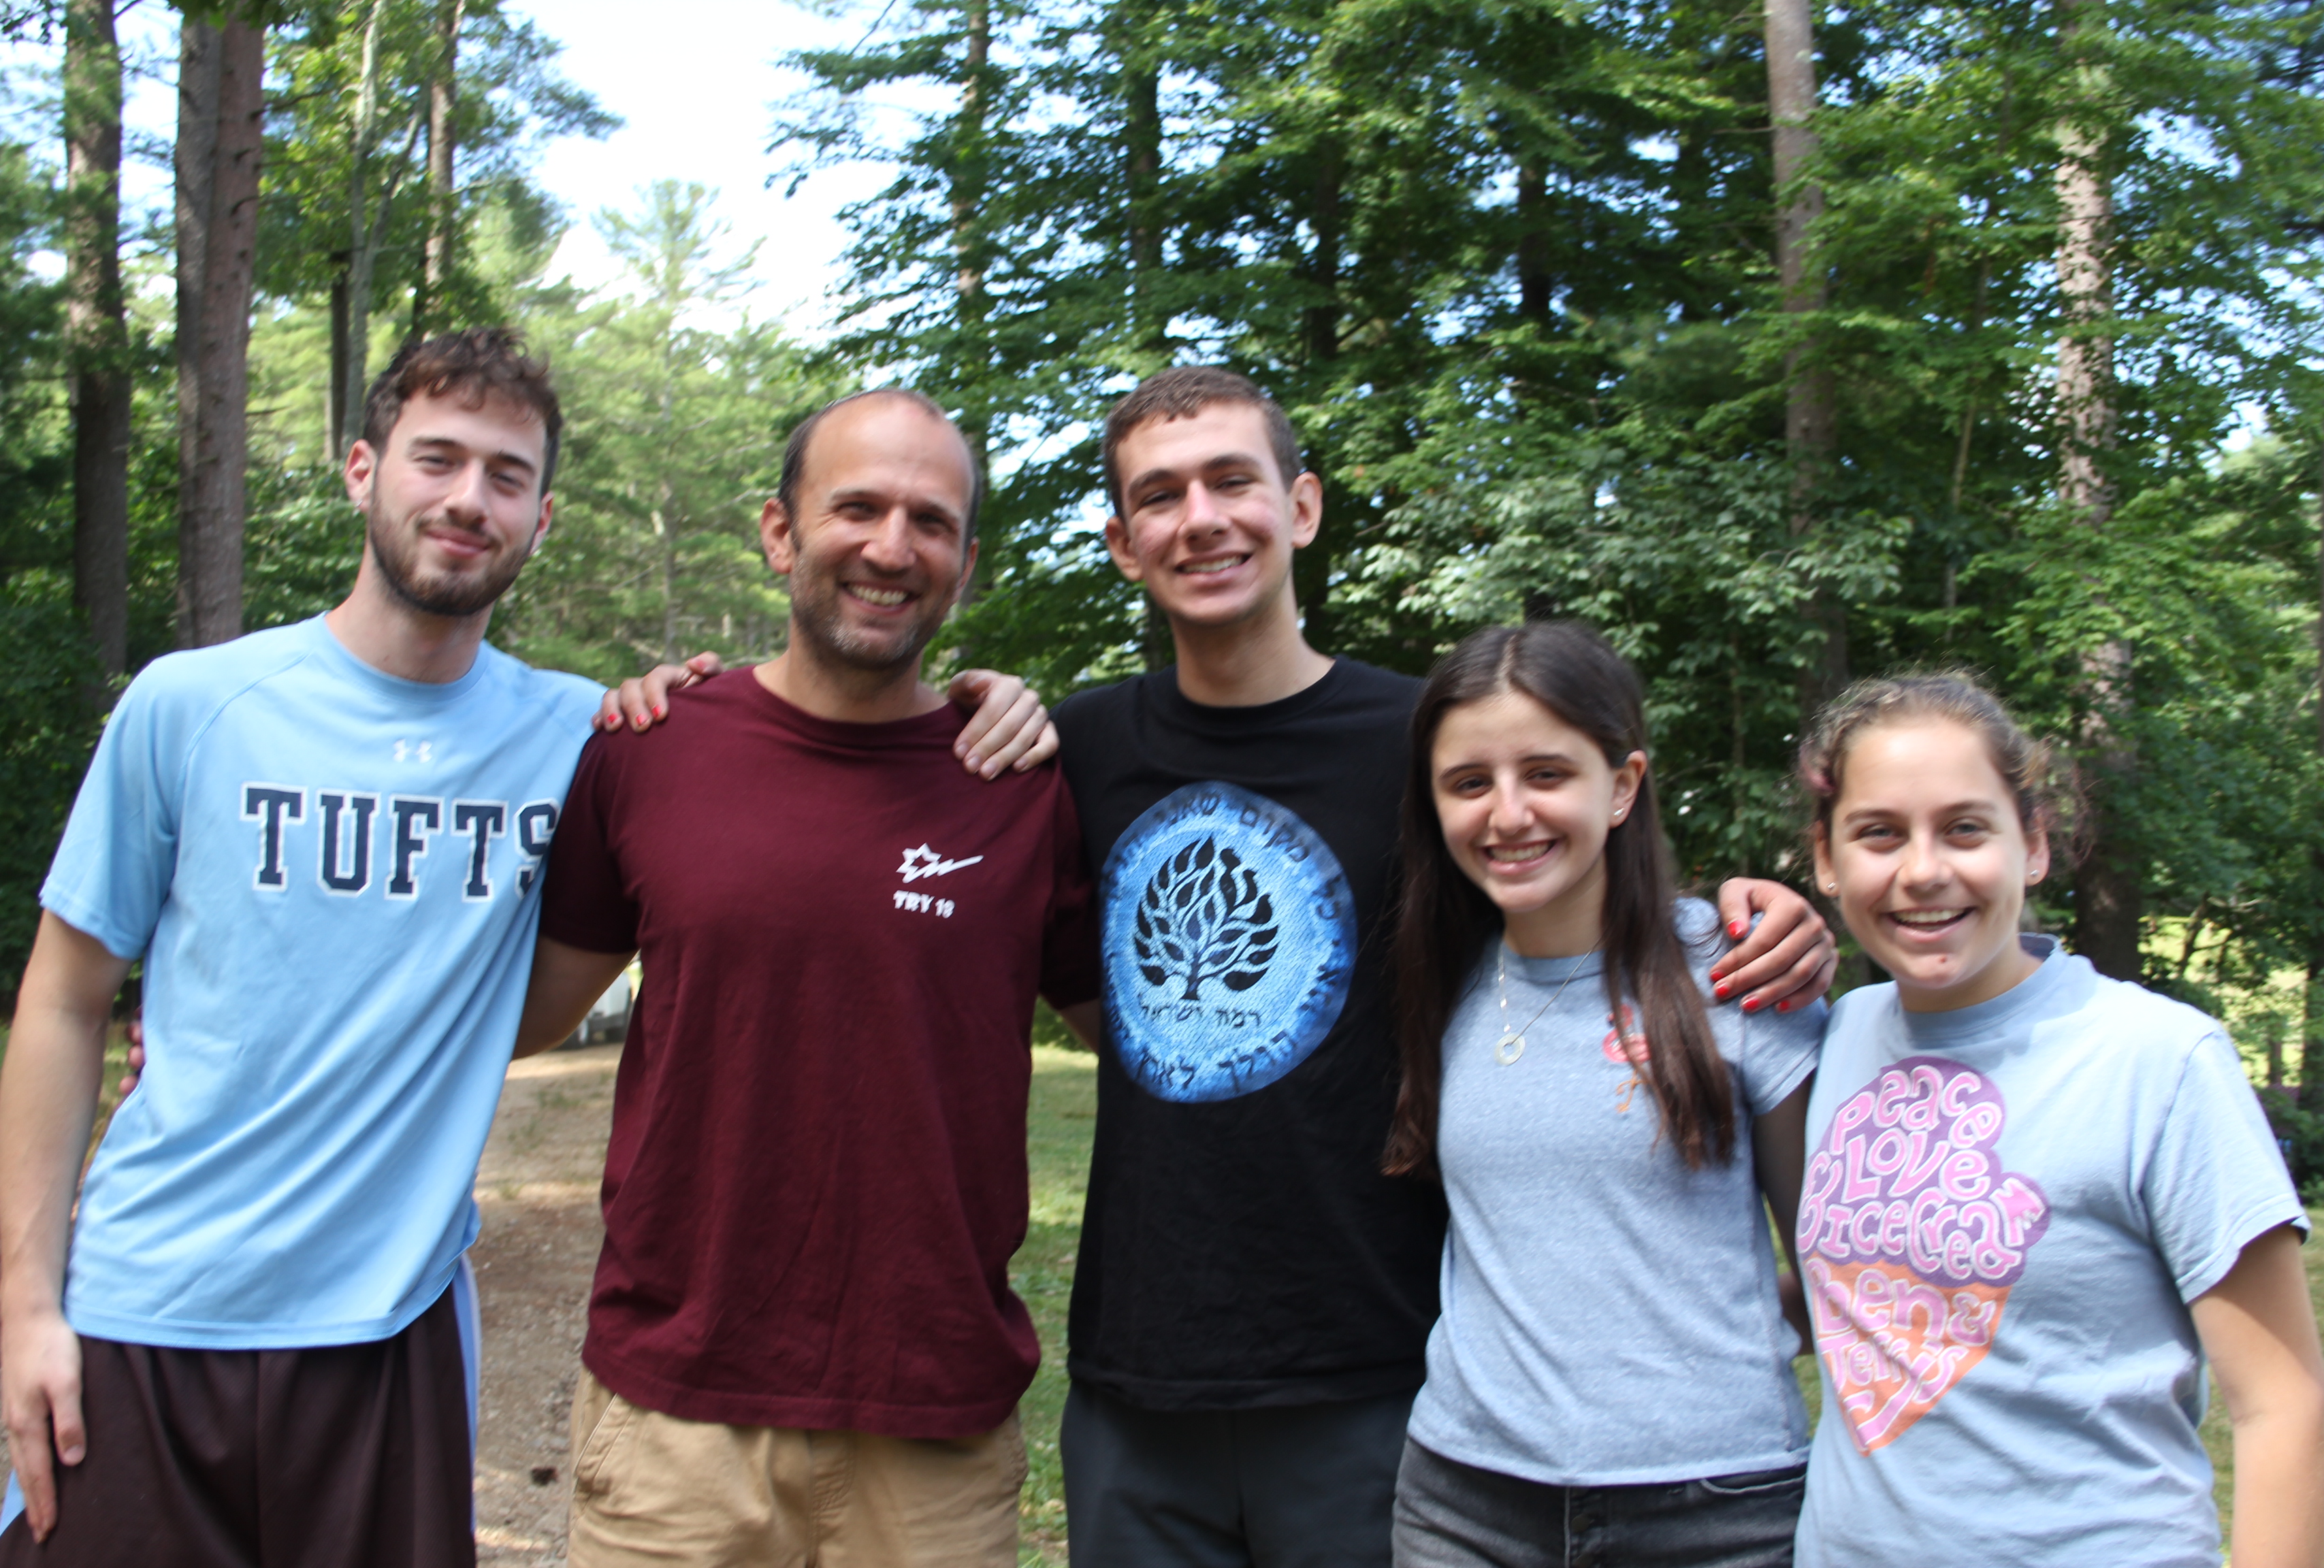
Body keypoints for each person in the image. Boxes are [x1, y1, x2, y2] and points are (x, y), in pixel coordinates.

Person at [0, 334, 1052, 1567]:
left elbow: (705, 807)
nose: (468, 499)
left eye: (506, 476)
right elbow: (62, 1002)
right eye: (436, 459)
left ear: (541, 518)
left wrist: (1008, 699)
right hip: (142, 1315)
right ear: (359, 469)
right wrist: (24, 1306)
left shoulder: (585, 732)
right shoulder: (190, 703)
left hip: (389, 1329)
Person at [1046, 367, 1837, 1568]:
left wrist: (1752, 913)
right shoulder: (1077, 746)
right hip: (1138, 1374)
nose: (1200, 518)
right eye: (1160, 495)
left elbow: (1564, 872)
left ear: (1301, 507)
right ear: (1121, 542)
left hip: (1383, 1369)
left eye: (1232, 481)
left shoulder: (1426, 742)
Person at [514, 387, 1099, 1567]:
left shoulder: (1023, 783)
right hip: (677, 1429)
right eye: (857, 508)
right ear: (780, 533)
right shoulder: (648, 751)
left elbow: (1158, 1049)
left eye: (931, 522)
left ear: (964, 564)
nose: (892, 547)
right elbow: (518, 1016)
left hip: (933, 1439)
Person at [1793, 674, 2324, 1567]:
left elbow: (2283, 1407)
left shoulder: (2160, 1060)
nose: (1922, 871)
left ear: (2034, 843)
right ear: (1827, 857)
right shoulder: (1842, 1035)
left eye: (1965, 829)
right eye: (1879, 833)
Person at [1382, 621, 1822, 1568]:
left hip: (1718, 1509)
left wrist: (1704, 1344)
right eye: (1469, 783)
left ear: (1623, 786)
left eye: (1547, 774)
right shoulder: (1438, 983)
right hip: (1463, 1504)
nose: (1508, 814)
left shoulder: (1740, 972)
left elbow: (1844, 1274)